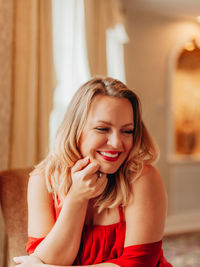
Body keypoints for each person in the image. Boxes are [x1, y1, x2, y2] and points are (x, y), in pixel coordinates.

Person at [14, 77, 172, 267]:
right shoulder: (42, 180)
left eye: (127, 131)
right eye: (102, 128)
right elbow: (48, 261)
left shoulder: (142, 177)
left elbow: (138, 263)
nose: (116, 143)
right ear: (75, 130)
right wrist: (76, 197)